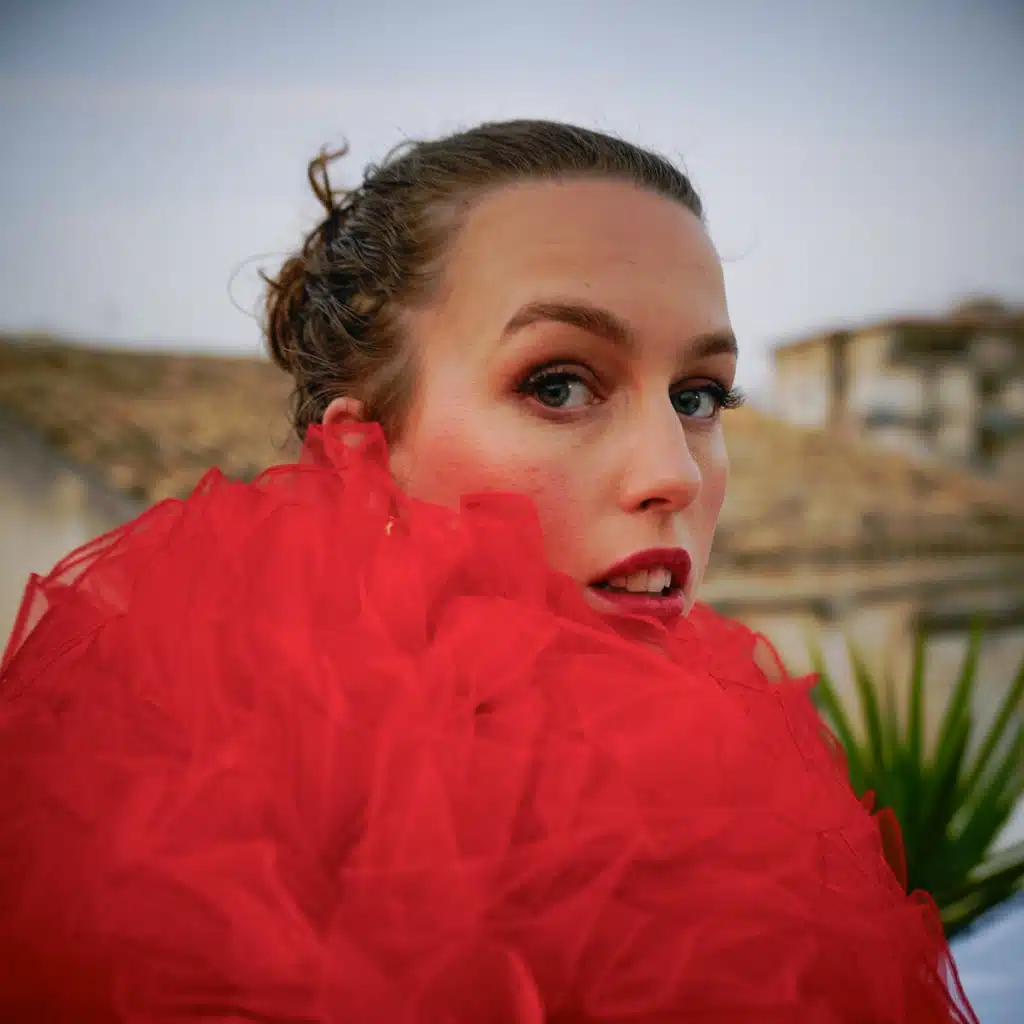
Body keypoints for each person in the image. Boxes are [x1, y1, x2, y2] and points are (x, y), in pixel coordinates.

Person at [0, 120, 975, 1022]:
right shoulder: (183, 851)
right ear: (361, 454)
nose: (674, 473)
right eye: (558, 384)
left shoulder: (745, 813)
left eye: (698, 395)